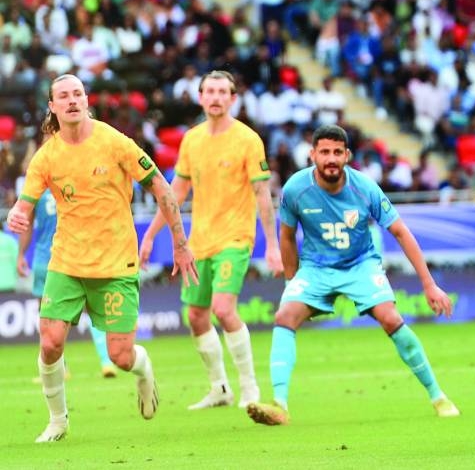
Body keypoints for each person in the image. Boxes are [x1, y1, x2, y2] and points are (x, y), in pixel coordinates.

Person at [5, 74, 197, 443]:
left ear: (86, 99)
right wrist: (17, 214)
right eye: (64, 95)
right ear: (53, 106)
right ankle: (58, 420)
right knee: (49, 341)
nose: (72, 100)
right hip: (67, 262)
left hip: (115, 264)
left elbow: (159, 184)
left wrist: (180, 241)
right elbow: (24, 205)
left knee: (121, 357)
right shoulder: (46, 156)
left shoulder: (115, 142)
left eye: (78, 93)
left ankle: (143, 372)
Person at [246, 125, 459, 426]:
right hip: (316, 269)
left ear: (347, 155)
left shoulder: (365, 188)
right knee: (284, 315)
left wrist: (429, 284)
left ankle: (439, 396)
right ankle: (279, 405)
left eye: (337, 152)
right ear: (312, 155)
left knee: (390, 318)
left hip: (360, 265)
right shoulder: (296, 189)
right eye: (324, 152)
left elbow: (400, 231)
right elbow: (287, 236)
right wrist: (291, 282)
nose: (330, 159)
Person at [141, 70, 280, 411]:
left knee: (222, 308)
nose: (216, 97)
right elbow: (177, 192)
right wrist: (151, 234)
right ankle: (220, 388)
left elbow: (262, 193)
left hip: (235, 237)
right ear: (200, 97)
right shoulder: (192, 140)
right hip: (199, 241)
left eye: (223, 92)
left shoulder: (248, 140)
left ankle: (249, 386)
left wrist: (273, 246)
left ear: (233, 99)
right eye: (210, 91)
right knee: (197, 317)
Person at [17, 188, 117, 379]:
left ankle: (60, 368)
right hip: (73, 256)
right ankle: (106, 362)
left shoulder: (36, 190)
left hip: (45, 258)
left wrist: (21, 254)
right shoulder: (70, 182)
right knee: (91, 308)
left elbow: (27, 225)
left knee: (47, 316)